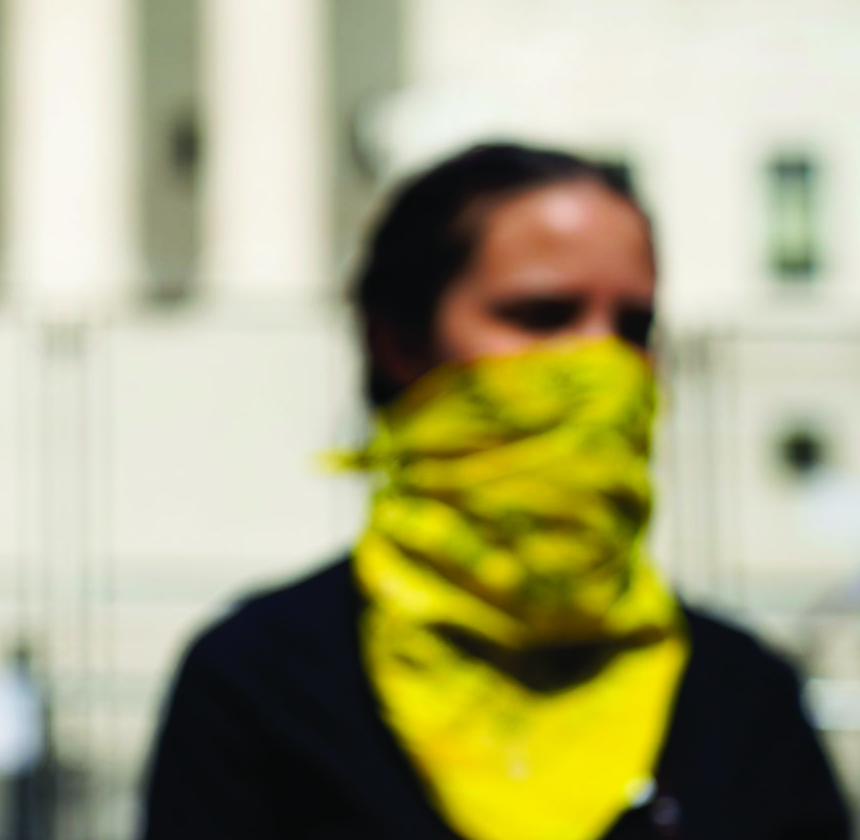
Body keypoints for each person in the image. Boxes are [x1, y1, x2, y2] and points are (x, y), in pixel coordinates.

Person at [141, 142, 848, 840]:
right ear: (399, 343)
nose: (598, 359)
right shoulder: (260, 686)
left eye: (633, 326)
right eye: (542, 314)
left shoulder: (744, 699)